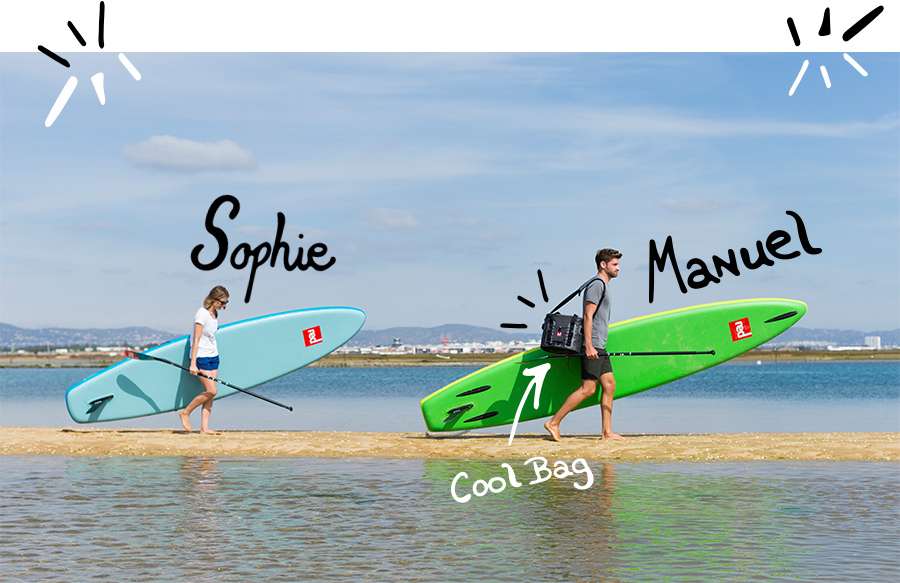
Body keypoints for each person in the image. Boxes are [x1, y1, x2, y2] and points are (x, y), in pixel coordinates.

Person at [545, 249, 627, 442]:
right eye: (615, 264)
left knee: (609, 384)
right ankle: (553, 423)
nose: (618, 268)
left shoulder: (603, 286)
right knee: (588, 389)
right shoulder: (597, 285)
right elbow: (588, 315)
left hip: (600, 344)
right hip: (594, 344)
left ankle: (607, 432)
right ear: (603, 265)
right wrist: (589, 345)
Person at [179, 286, 229, 434]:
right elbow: (196, 339)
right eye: (222, 302)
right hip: (201, 356)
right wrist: (193, 363)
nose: (224, 305)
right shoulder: (201, 314)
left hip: (214, 355)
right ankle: (185, 412)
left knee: (210, 392)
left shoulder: (215, 313)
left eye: (226, 303)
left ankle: (204, 428)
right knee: (212, 390)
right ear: (214, 299)